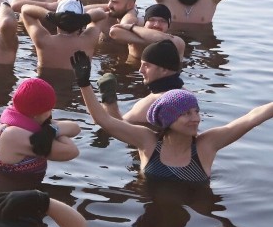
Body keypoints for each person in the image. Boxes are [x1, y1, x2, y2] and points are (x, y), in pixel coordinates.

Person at [71, 51, 273, 181]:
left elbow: (252, 117)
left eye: (196, 112)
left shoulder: (206, 145)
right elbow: (104, 120)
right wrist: (84, 83)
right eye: (185, 114)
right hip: (151, 216)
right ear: (167, 119)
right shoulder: (147, 141)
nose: (195, 118)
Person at [0, 78, 80, 188]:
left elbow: (75, 128)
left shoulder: (22, 118)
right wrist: (52, 129)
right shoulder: (13, 135)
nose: (51, 113)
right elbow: (72, 151)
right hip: (14, 192)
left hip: (28, 188)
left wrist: (52, 129)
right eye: (50, 109)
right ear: (37, 114)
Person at [98, 39, 186, 125]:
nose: (140, 70)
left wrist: (109, 99)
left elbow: (116, 127)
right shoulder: (187, 95)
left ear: (164, 70)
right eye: (141, 65)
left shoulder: (152, 103)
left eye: (146, 66)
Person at [21, 0, 107, 71]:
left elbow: (25, 9)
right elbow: (101, 13)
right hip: (79, 90)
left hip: (46, 87)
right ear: (81, 23)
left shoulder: (44, 40)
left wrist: (50, 15)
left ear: (57, 19)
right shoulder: (88, 41)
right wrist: (84, 18)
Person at [109, 3, 185, 60]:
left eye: (163, 21)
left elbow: (162, 39)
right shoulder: (170, 41)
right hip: (133, 73)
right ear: (145, 23)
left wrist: (132, 27)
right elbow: (114, 32)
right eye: (152, 20)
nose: (156, 25)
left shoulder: (177, 42)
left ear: (168, 25)